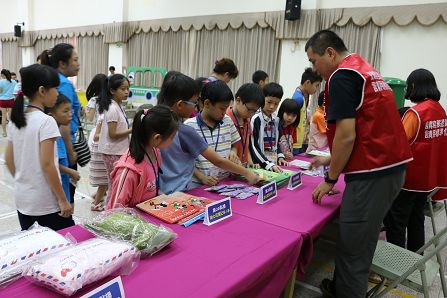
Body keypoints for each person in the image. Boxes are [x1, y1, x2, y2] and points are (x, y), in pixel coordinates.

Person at [305, 30, 412, 298]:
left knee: (353, 250)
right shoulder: (363, 68)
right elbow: (369, 128)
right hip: (389, 168)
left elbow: (347, 133)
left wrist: (330, 178)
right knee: (360, 240)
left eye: (314, 60)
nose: (314, 69)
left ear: (330, 53)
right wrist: (332, 157)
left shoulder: (341, 76)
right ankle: (339, 288)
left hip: (372, 175)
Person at [157, 71, 259, 194]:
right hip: (180, 190)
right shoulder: (185, 129)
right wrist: (246, 172)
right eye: (194, 103)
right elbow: (218, 160)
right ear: (179, 104)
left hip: (159, 190)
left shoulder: (153, 120)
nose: (195, 107)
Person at [384, 69, 447, 252]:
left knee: (396, 222)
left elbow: (398, 144)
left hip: (408, 180)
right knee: (416, 220)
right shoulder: (440, 111)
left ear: (413, 87)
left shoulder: (416, 113)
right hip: (427, 180)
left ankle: (395, 266)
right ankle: (415, 258)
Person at [5, 64, 74, 230]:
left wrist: (26, 182)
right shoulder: (46, 121)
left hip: (23, 199)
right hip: (45, 203)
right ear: (42, 91)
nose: (57, 93)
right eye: (55, 89)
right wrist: (63, 199)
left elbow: (8, 160)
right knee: (64, 245)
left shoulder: (16, 120)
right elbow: (48, 164)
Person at [107, 106, 178, 208]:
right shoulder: (128, 171)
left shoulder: (155, 152)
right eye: (172, 137)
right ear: (157, 138)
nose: (173, 140)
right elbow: (114, 210)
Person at [40, 44, 81, 205]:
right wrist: (70, 151)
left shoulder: (55, 80)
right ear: (63, 63)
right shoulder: (63, 84)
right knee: (66, 190)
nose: (78, 64)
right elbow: (64, 119)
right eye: (75, 60)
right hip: (63, 143)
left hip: (57, 141)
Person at [185, 80, 242, 187]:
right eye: (222, 108)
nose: (224, 112)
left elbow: (235, 144)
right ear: (207, 103)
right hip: (199, 184)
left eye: (226, 108)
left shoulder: (227, 121)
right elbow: (185, 161)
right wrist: (202, 177)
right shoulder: (189, 126)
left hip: (225, 182)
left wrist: (233, 152)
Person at [97, 74, 132, 205]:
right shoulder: (112, 108)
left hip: (118, 150)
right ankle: (109, 210)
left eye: (128, 89)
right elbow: (113, 134)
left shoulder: (119, 106)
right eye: (123, 89)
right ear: (112, 90)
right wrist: (132, 130)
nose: (126, 92)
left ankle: (112, 208)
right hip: (112, 152)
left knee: (117, 184)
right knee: (114, 184)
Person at [45, 94, 81, 204]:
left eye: (70, 111)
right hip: (56, 196)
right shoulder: (53, 138)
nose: (70, 115)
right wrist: (71, 171)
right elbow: (51, 163)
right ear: (52, 115)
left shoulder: (57, 134)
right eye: (65, 111)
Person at [250, 82, 288, 172]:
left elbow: (276, 142)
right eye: (269, 102)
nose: (272, 107)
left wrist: (280, 156)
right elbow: (253, 146)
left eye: (276, 104)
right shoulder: (256, 119)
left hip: (272, 162)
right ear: (262, 99)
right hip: (259, 163)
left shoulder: (276, 119)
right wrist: (266, 163)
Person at [85, 74, 109, 211]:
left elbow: (89, 118)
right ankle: (102, 191)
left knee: (100, 167)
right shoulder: (109, 100)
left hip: (96, 133)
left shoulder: (94, 100)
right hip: (107, 134)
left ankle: (101, 192)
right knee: (106, 167)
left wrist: (86, 109)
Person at [227, 83, 264, 167]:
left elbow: (246, 145)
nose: (251, 114)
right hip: (229, 168)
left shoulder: (247, 121)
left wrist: (249, 161)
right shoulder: (226, 119)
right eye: (249, 109)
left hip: (242, 168)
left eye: (255, 111)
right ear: (238, 100)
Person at [292, 67, 322, 154]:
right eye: (316, 85)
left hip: (301, 140)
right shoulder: (298, 98)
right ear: (308, 82)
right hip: (295, 142)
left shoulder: (305, 95)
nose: (316, 90)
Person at [0, 69, 17, 137]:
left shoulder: (1, 81)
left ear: (2, 75)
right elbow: (15, 91)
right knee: (11, 118)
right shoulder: (14, 81)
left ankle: (4, 133)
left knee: (4, 117)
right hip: (11, 100)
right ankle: (12, 132)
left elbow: (0, 91)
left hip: (2, 100)